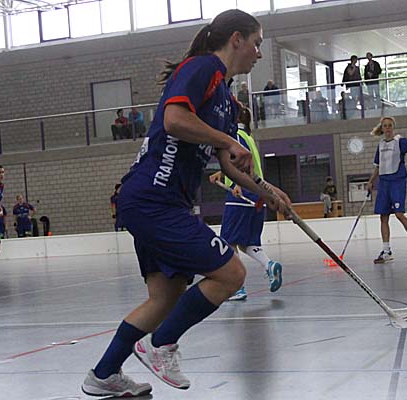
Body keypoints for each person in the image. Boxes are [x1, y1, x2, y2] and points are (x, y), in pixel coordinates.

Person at [82, 10, 291, 397]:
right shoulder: (202, 68)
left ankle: (104, 374)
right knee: (231, 273)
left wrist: (268, 192)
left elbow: (229, 164)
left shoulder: (227, 99)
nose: (259, 53)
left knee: (164, 298)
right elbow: (174, 119)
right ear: (236, 39)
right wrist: (227, 141)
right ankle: (162, 344)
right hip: (152, 197)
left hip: (163, 203)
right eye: (257, 43)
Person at [208, 107, 283, 301]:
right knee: (247, 243)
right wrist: (222, 173)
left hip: (241, 195)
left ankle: (237, 288)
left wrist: (236, 184)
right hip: (257, 195)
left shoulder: (235, 136)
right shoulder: (248, 137)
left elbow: (239, 163)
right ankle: (269, 265)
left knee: (228, 241)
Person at [366, 117, 407, 264]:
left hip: (397, 181)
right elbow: (378, 166)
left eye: (390, 125)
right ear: (382, 128)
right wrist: (371, 181)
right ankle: (386, 251)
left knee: (399, 214)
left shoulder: (399, 141)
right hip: (384, 182)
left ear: (393, 127)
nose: (387, 128)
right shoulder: (380, 145)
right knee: (383, 217)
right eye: (385, 126)